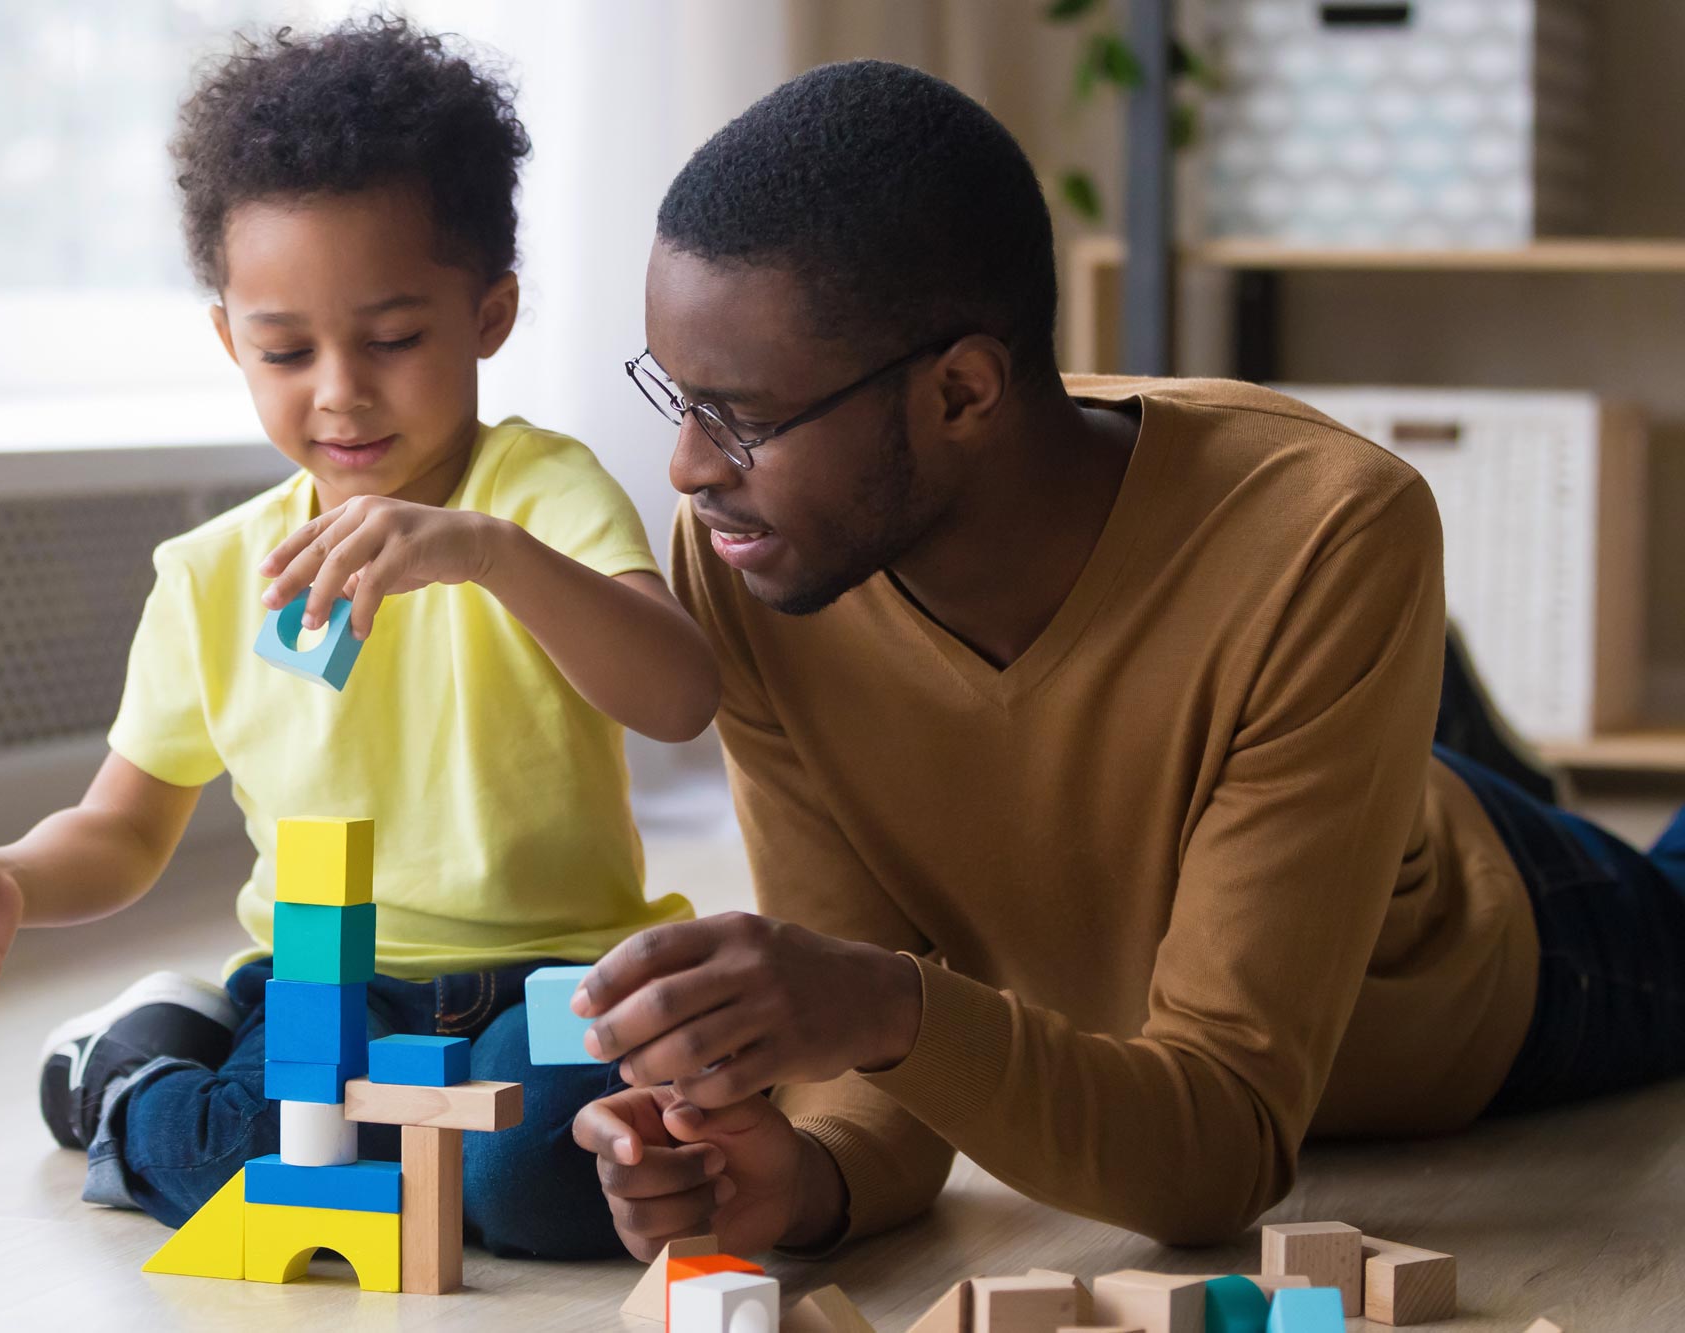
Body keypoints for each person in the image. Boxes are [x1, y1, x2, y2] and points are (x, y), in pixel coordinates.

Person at [571, 60, 1685, 1257]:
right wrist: (796, 1177)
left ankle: (1415, 714)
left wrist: (880, 1004)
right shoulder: (754, 563)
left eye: (737, 415)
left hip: (1485, 947)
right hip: (1249, 766)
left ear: (960, 392)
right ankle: (1411, 700)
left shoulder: (1324, 525)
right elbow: (882, 1079)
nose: (686, 468)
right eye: (673, 398)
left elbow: (1216, 1152)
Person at [0, 17, 717, 1259]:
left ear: (489, 315)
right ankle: (132, 1063)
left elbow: (678, 693)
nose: (338, 389)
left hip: (558, 973)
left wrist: (483, 552)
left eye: (391, 340)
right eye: (284, 349)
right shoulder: (214, 573)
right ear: (231, 339)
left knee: (555, 1188)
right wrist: (11, 879)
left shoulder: (538, 494)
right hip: (332, 990)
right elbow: (121, 827)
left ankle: (358, 1129)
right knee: (246, 1160)